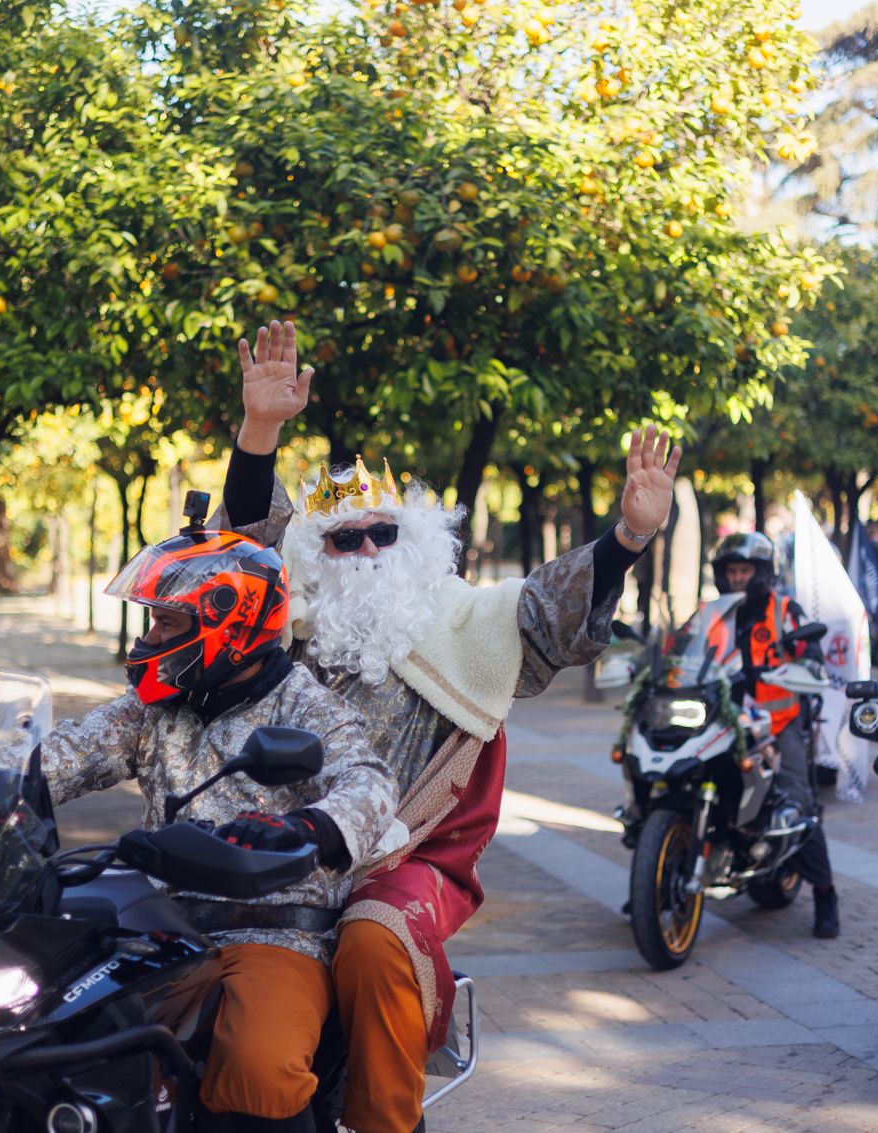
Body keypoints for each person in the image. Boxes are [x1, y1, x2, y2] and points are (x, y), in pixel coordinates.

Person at [215, 319, 679, 1133]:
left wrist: (629, 536)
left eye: (381, 532)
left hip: (406, 856)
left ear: (413, 540)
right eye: (343, 536)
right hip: (284, 859)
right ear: (316, 551)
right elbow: (247, 544)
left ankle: (392, 1122)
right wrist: (259, 434)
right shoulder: (288, 623)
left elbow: (548, 612)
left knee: (375, 937)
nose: (364, 548)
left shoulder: (464, 619)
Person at [36, 525, 397, 1133]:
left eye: (167, 624)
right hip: (153, 925)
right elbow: (68, 751)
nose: (149, 637)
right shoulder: (156, 705)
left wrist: (310, 828)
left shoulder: (305, 706)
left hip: (271, 932)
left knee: (259, 1068)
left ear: (229, 628)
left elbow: (371, 781)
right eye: (151, 620)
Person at [703, 532, 840, 939]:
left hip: (779, 727)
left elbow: (812, 657)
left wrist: (805, 663)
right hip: (725, 722)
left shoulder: (783, 610)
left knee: (797, 804)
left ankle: (825, 895)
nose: (738, 578)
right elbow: (683, 651)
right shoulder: (713, 612)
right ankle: (663, 879)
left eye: (746, 570)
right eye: (732, 571)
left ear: (763, 573)